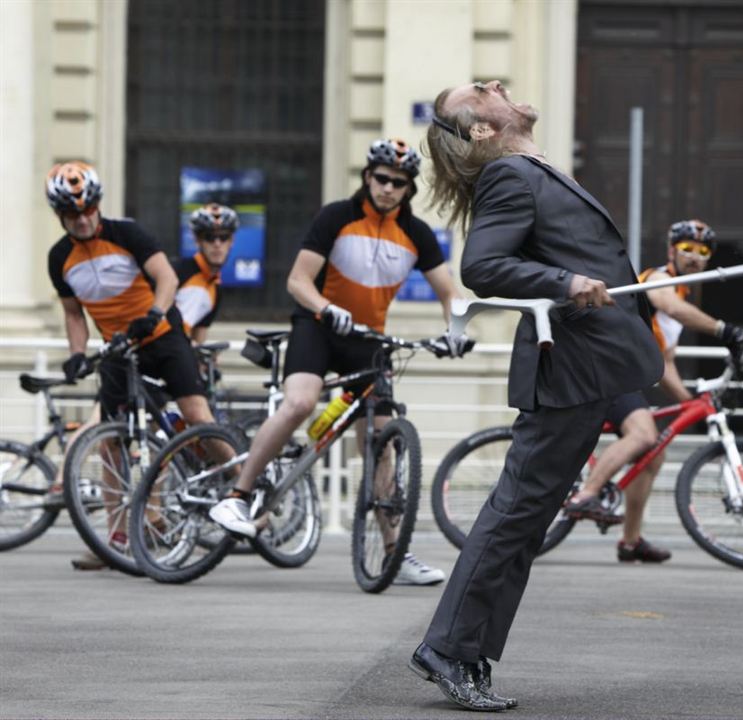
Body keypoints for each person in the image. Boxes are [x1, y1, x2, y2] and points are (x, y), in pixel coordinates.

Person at [408, 79, 662, 712]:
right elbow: (482, 266)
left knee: (524, 522)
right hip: (569, 365)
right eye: (481, 90)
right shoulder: (510, 177)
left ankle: (469, 653)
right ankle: (448, 648)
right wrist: (565, 279)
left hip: (590, 362)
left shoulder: (531, 169)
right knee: (516, 513)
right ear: (481, 131)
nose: (497, 84)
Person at [208, 139, 456, 586]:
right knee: (300, 404)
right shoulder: (336, 217)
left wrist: (456, 330)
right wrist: (324, 307)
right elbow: (297, 280)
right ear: (367, 176)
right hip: (318, 326)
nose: (388, 188)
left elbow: (448, 293)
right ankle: (238, 495)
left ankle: (393, 552)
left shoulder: (415, 234)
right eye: (381, 178)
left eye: (398, 183)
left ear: (408, 188)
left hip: (368, 339)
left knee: (382, 441)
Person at [45, 162, 219, 570]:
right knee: (111, 442)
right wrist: (75, 354)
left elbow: (167, 280)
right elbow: (74, 314)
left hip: (161, 337)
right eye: (73, 214)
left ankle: (244, 488)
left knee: (196, 414)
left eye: (89, 209)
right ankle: (115, 538)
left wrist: (155, 314)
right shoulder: (60, 258)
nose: (84, 219)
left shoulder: (128, 234)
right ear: (60, 215)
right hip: (118, 350)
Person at [564, 219, 743, 563]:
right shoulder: (662, 280)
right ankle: (586, 495)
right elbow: (671, 306)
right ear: (671, 252)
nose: (694, 258)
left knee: (653, 456)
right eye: (687, 249)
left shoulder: (677, 295)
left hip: (623, 376)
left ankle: (630, 541)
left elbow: (665, 364)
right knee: (644, 433)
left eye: (702, 252)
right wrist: (724, 330)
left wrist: (692, 405)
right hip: (606, 370)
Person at [172, 203, 238, 344]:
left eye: (224, 237)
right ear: (197, 241)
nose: (217, 244)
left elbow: (199, 337)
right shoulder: (177, 271)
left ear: (231, 241)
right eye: (209, 237)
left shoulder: (216, 290)